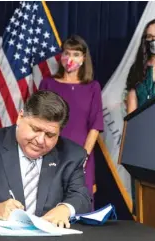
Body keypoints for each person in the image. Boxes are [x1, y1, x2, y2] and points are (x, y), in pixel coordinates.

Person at [0, 90, 92, 228]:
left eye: (50, 135)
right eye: (35, 129)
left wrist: (65, 209)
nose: (40, 140)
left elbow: (82, 197)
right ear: (20, 117)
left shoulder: (72, 154)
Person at [39, 35, 104, 208]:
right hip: (51, 153)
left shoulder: (92, 87)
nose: (70, 59)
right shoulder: (48, 83)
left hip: (82, 156)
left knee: (80, 207)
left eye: (76, 54)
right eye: (67, 53)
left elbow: (95, 125)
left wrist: (83, 156)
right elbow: (39, 120)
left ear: (83, 58)